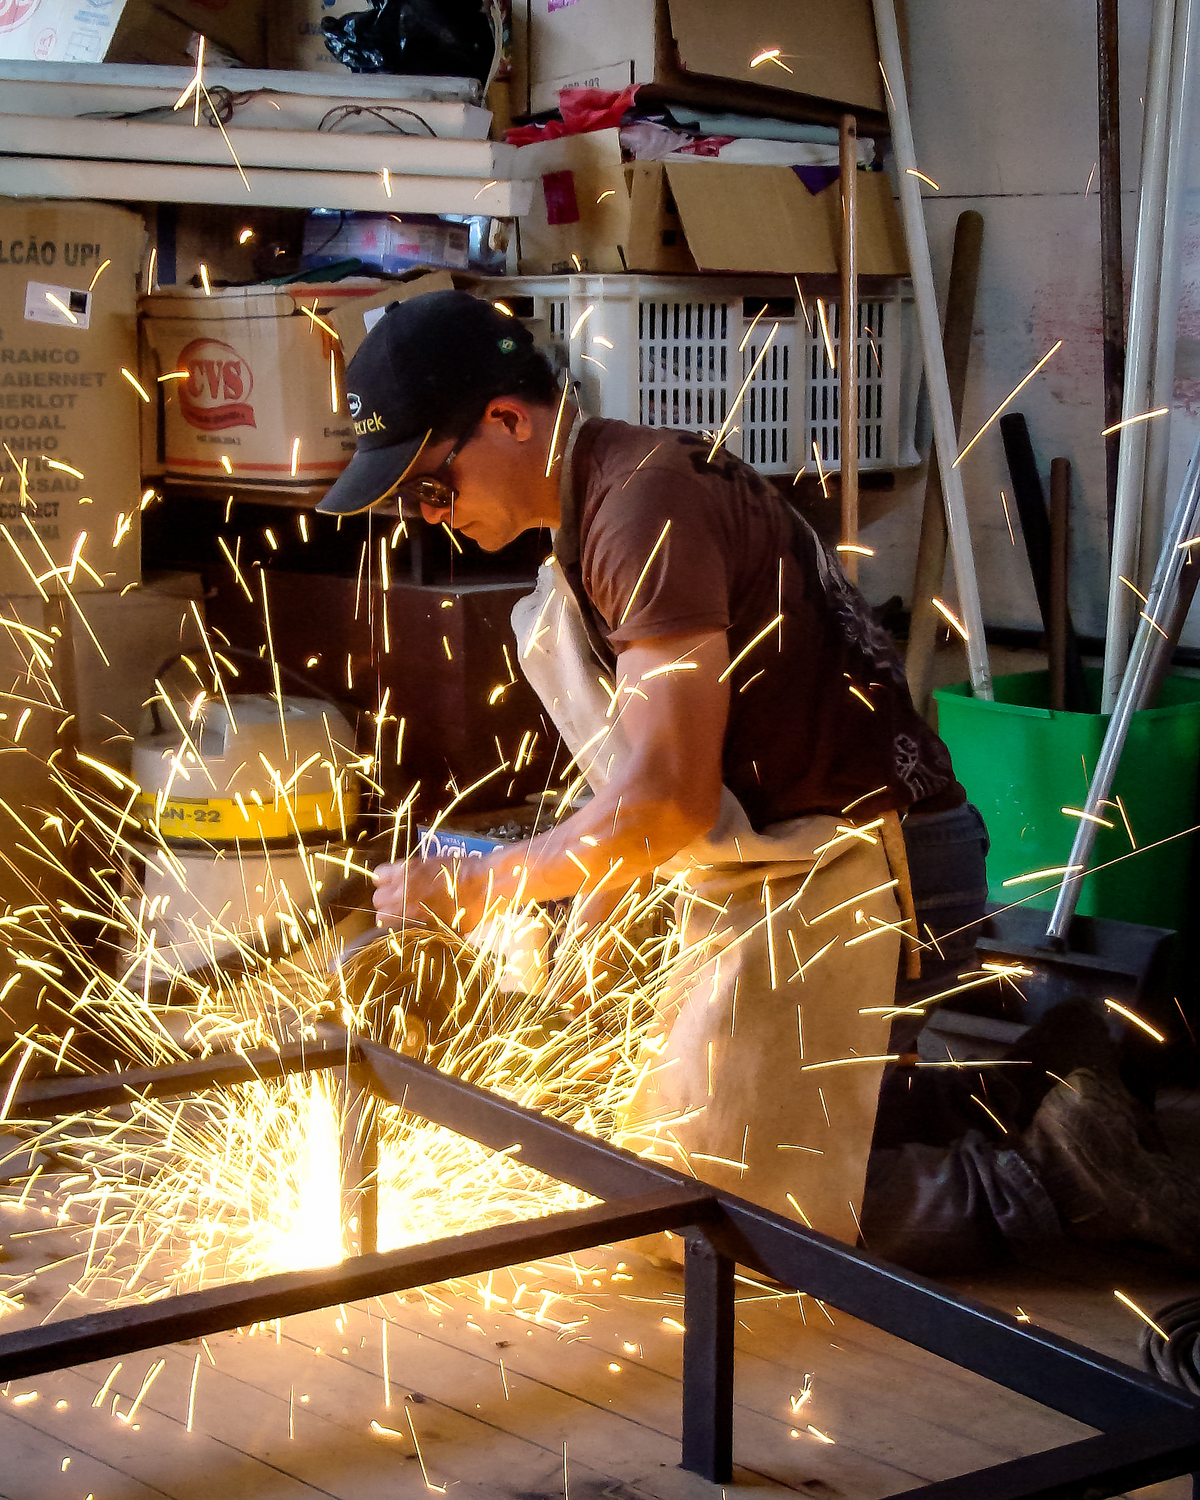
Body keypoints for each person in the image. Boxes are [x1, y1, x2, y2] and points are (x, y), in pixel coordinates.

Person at [318, 291, 1200, 1273]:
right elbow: (646, 782)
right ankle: (1045, 1081)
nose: (430, 516)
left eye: (432, 486)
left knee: (705, 1200)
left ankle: (1060, 1181)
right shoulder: (611, 497)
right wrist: (588, 922)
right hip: (811, 858)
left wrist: (481, 886)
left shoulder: (637, 512)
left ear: (507, 420)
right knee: (709, 1102)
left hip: (874, 870)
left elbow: (668, 802)